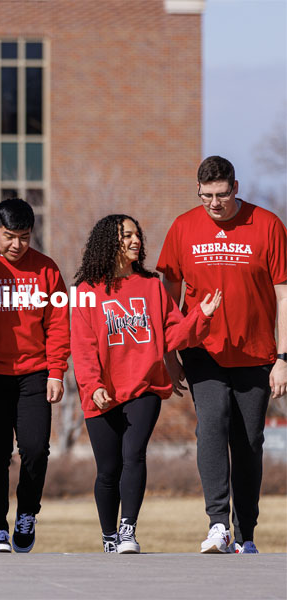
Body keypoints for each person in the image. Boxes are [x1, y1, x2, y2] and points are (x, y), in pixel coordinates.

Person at [157, 156, 287, 554]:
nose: (214, 203)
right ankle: (218, 524)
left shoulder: (267, 225)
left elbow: (283, 294)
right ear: (198, 191)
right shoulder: (183, 227)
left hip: (256, 353)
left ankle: (246, 533)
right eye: (206, 196)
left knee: (248, 441)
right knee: (210, 427)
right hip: (203, 351)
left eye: (222, 195)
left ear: (236, 187)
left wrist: (283, 356)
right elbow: (168, 294)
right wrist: (171, 351)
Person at [71, 214, 221, 554]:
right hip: (102, 392)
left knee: (134, 454)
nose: (135, 240)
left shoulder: (152, 286)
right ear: (109, 242)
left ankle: (127, 530)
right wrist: (93, 385)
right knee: (108, 470)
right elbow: (82, 346)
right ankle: (109, 536)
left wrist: (202, 315)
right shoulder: (86, 291)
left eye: (137, 234)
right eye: (127, 236)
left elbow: (174, 335)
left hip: (145, 386)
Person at [0, 198, 70, 553]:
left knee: (35, 449)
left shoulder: (46, 270)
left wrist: (56, 372)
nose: (16, 244)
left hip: (34, 373)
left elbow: (58, 325)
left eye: (24, 237)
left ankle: (27, 514)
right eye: (9, 236)